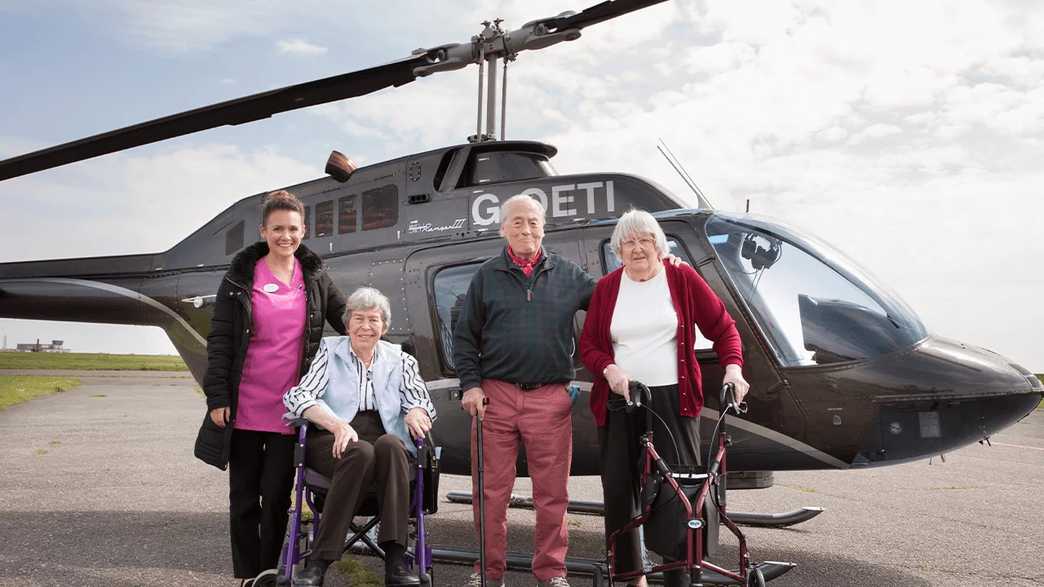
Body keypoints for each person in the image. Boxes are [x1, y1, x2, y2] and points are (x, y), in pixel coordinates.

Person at [579, 209, 749, 587]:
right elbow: (589, 345)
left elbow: (724, 329)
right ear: (618, 250)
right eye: (629, 242)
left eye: (645, 240)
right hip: (623, 400)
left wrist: (734, 369)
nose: (638, 248)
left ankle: (679, 576)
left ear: (659, 245)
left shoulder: (681, 277)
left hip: (675, 399)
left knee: (678, 491)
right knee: (621, 490)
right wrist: (610, 370)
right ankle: (631, 577)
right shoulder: (607, 288)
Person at [194, 190, 347, 586]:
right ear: (264, 230)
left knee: (277, 496)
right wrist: (217, 397)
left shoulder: (313, 277)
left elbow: (348, 318)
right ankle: (247, 573)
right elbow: (221, 340)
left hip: (290, 407)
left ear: (303, 231)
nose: (285, 236)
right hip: (244, 403)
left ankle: (268, 571)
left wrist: (382, 347)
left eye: (293, 229)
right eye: (277, 228)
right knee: (244, 497)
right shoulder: (240, 278)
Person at [453, 194, 596, 587]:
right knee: (490, 494)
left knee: (552, 495)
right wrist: (470, 385)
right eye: (516, 222)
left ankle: (552, 573)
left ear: (544, 226)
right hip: (494, 398)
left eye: (532, 221)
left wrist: (657, 271)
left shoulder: (569, 274)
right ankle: (488, 573)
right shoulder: (486, 275)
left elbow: (611, 300)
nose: (525, 229)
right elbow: (464, 337)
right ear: (503, 229)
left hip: (550, 399)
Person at [283, 287, 437, 587]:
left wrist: (417, 410)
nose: (366, 326)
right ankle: (318, 562)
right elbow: (298, 395)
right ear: (347, 323)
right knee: (360, 451)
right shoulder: (330, 352)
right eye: (359, 319)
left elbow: (421, 400)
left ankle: (395, 561)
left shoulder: (400, 359)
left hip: (385, 435)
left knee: (392, 445)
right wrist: (336, 424)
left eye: (373, 320)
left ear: (385, 326)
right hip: (334, 439)